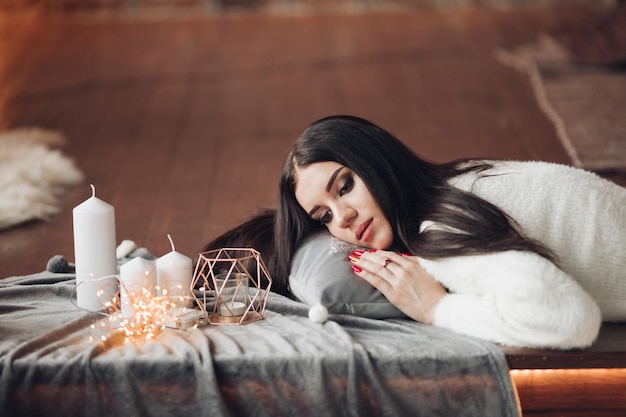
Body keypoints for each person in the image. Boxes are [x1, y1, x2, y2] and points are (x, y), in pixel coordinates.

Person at [204, 115, 626, 349]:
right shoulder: (451, 183)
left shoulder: (438, 228)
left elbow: (571, 319)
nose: (343, 219)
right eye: (323, 217)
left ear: (377, 162)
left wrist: (435, 309)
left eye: (346, 185)